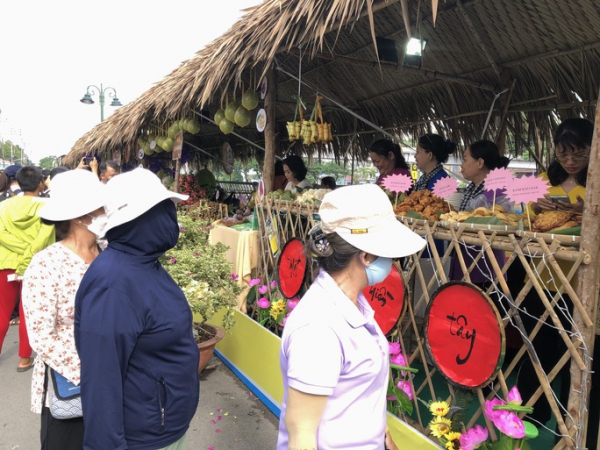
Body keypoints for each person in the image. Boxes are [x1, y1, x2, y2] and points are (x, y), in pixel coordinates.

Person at [277, 184, 426, 450]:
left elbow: (363, 398)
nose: (392, 263)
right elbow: (301, 436)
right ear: (367, 256)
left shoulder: (354, 304)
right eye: (390, 254)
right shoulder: (318, 328)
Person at [75, 168, 199, 450]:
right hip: (144, 437)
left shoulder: (144, 263)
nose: (172, 215)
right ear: (141, 218)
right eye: (164, 208)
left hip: (165, 425)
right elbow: (101, 381)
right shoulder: (113, 284)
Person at [21, 169, 106, 450]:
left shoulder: (109, 253)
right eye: (100, 206)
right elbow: (42, 336)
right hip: (71, 384)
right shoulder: (47, 263)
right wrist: (92, 372)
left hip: (115, 382)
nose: (106, 211)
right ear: (79, 215)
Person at [0, 166, 55, 372]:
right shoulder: (48, 206)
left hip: (6, 263)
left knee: (2, 312)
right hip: (36, 263)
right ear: (41, 182)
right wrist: (30, 251)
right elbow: (44, 236)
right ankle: (24, 358)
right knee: (29, 312)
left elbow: (1, 234)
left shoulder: (4, 206)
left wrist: (21, 250)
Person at [449, 140, 510, 284]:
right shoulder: (471, 188)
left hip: (485, 260)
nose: (461, 165)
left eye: (465, 159)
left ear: (480, 163)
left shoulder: (497, 189)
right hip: (464, 255)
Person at [530, 118, 591, 215]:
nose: (570, 162)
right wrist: (535, 207)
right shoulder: (543, 179)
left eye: (578, 155)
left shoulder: (596, 183)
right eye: (563, 155)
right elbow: (524, 220)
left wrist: (588, 212)